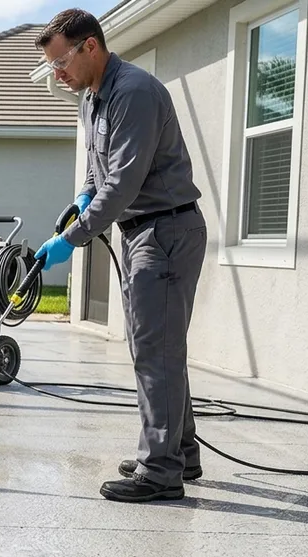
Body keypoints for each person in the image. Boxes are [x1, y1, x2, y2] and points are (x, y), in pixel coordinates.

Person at [32, 9, 208, 503]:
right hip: (140, 231)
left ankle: (161, 472)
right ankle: (180, 451)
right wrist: (82, 200)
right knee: (157, 347)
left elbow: (124, 180)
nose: (57, 74)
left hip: (168, 228)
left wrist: (76, 236)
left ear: (91, 46)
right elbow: (99, 171)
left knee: (156, 351)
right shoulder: (91, 99)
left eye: (61, 61)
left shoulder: (134, 91)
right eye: (51, 67)